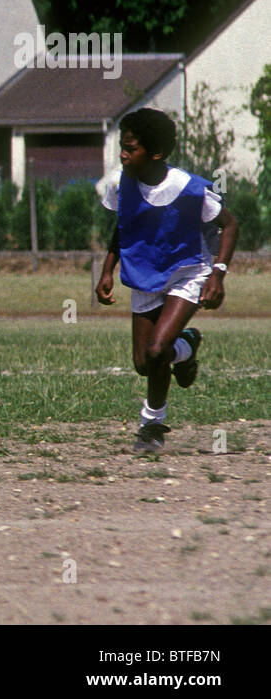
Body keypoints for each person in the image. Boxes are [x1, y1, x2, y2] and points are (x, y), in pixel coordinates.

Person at [95, 108, 237, 452]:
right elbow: (124, 225)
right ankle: (186, 346)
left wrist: (218, 273)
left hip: (187, 272)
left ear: (155, 153)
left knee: (158, 350)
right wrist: (107, 268)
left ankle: (151, 426)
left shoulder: (188, 189)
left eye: (131, 149)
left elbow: (230, 225)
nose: (123, 155)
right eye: (122, 149)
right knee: (145, 363)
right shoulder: (119, 184)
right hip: (145, 274)